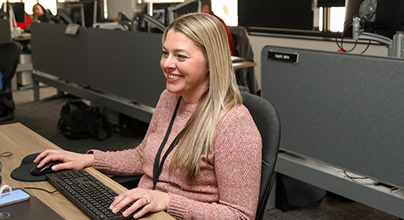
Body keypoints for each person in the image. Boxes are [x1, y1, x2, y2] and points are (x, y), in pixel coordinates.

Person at [34, 13, 262, 220]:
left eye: (180, 56)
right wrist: (90, 160)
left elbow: (239, 215)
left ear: (212, 62)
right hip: (144, 210)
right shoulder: (170, 98)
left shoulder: (234, 125)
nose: (167, 64)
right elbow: (145, 156)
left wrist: (167, 201)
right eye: (165, 53)